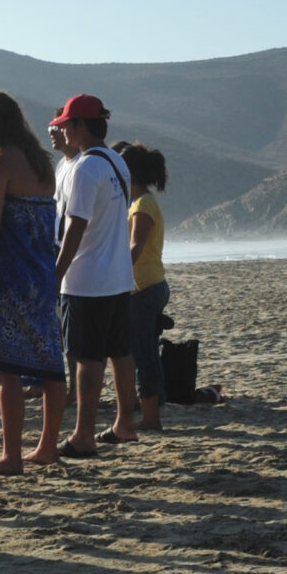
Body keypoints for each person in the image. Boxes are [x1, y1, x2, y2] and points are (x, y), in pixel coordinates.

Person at [0, 90, 68, 475]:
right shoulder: (43, 163)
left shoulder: (0, 162)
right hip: (42, 274)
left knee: (8, 367)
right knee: (49, 362)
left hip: (9, 275)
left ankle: (11, 456)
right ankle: (47, 447)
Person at [46, 94, 139, 456]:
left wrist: (57, 273)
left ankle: (84, 434)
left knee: (86, 357)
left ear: (80, 126)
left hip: (87, 277)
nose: (62, 130)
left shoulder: (85, 168)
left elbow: (76, 226)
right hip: (117, 274)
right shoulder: (116, 160)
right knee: (120, 352)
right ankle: (124, 424)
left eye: (67, 124)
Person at [119, 142, 171, 432]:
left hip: (144, 287)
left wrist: (117, 276)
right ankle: (148, 410)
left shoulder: (143, 205)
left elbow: (136, 246)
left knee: (143, 354)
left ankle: (151, 418)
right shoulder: (138, 202)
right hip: (148, 285)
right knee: (143, 350)